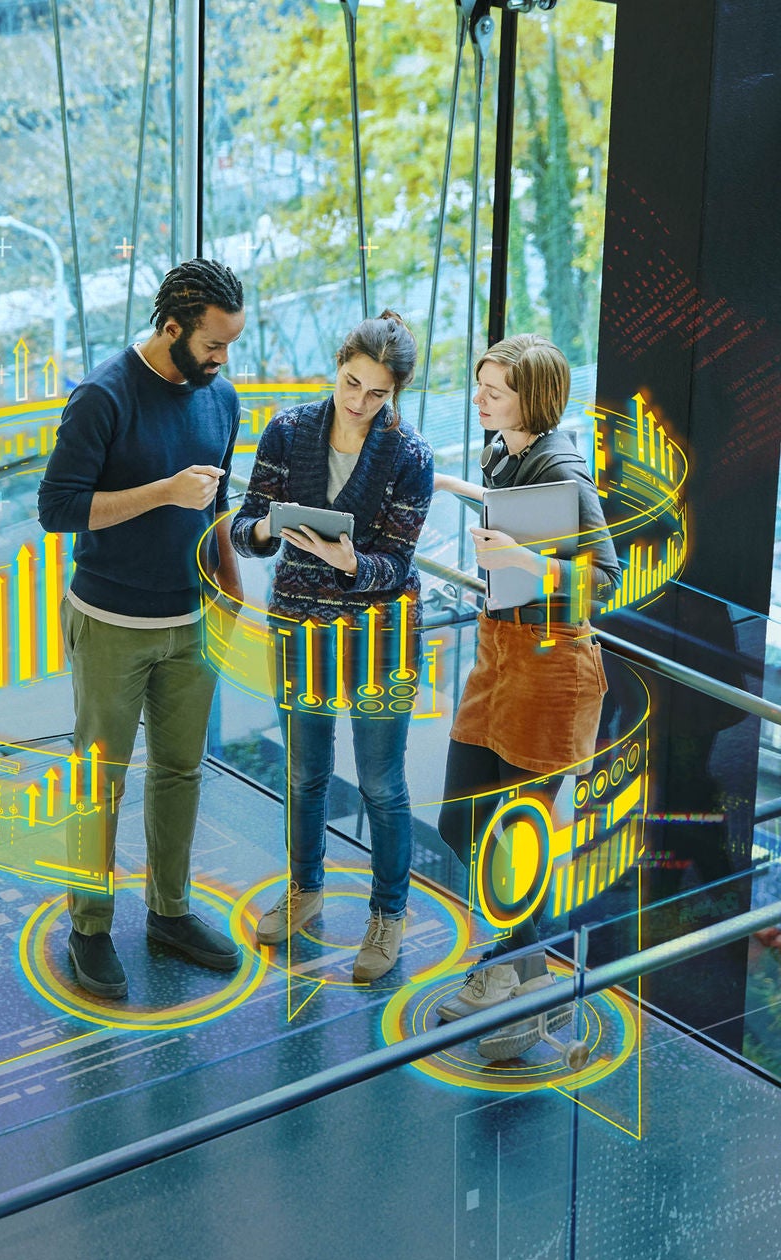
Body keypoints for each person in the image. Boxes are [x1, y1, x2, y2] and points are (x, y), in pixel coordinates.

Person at [36, 259, 248, 999]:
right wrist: (163, 491)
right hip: (112, 623)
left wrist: (231, 578)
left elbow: (216, 504)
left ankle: (170, 911)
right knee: (100, 783)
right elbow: (58, 509)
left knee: (181, 772)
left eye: (229, 346)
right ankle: (88, 926)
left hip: (192, 620)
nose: (223, 360)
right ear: (171, 328)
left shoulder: (220, 398)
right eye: (214, 345)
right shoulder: (103, 395)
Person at [429, 335, 621, 1058]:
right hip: (500, 657)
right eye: (480, 385)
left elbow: (601, 577)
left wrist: (518, 559)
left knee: (517, 843)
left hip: (548, 669)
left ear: (532, 400)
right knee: (461, 823)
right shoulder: (504, 450)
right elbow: (520, 508)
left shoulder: (565, 467)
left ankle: (514, 983)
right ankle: (530, 970)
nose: (479, 399)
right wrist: (465, 492)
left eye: (495, 391)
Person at [230, 313, 435, 981]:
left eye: (378, 393)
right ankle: (304, 889)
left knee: (381, 783)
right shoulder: (288, 432)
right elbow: (242, 528)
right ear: (339, 363)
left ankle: (388, 912)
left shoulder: (412, 458)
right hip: (301, 628)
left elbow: (399, 564)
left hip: (380, 635)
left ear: (395, 393)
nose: (359, 402)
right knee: (303, 774)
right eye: (352, 383)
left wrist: (352, 564)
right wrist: (265, 529)